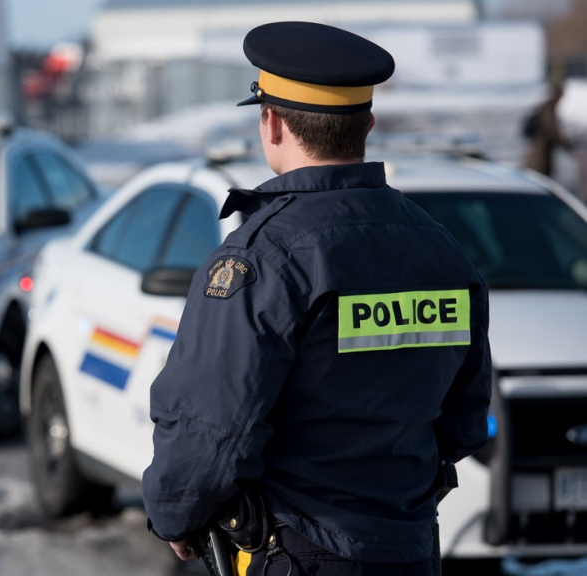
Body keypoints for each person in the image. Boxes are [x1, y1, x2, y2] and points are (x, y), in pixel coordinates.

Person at [141, 21, 492, 576]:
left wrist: (177, 514)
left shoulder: (263, 258)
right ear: (367, 123)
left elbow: (211, 425)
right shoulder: (439, 248)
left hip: (298, 553)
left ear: (271, 122)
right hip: (409, 550)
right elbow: (466, 420)